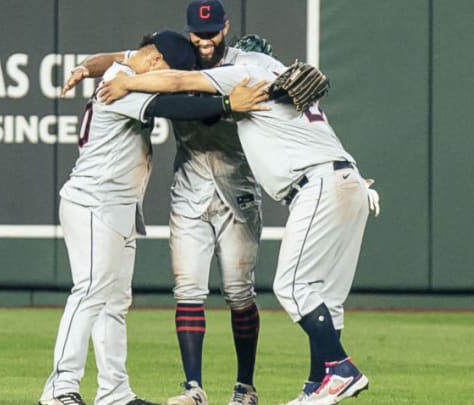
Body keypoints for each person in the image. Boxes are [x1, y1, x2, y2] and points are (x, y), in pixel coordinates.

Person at [97, 59, 380, 404]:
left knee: (291, 287)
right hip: (351, 183)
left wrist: (127, 83)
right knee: (327, 299)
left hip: (317, 184)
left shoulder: (244, 71)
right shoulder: (283, 83)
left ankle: (340, 369)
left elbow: (178, 80)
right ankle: (317, 385)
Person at [60, 2, 286, 405]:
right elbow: (173, 96)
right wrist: (228, 104)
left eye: (212, 31)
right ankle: (63, 389)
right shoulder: (138, 76)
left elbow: (125, 60)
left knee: (228, 294)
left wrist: (85, 66)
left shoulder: (227, 63)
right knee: (140, 291)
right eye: (197, 33)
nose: (203, 40)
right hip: (119, 196)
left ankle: (117, 393)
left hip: (206, 193)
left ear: (225, 28)